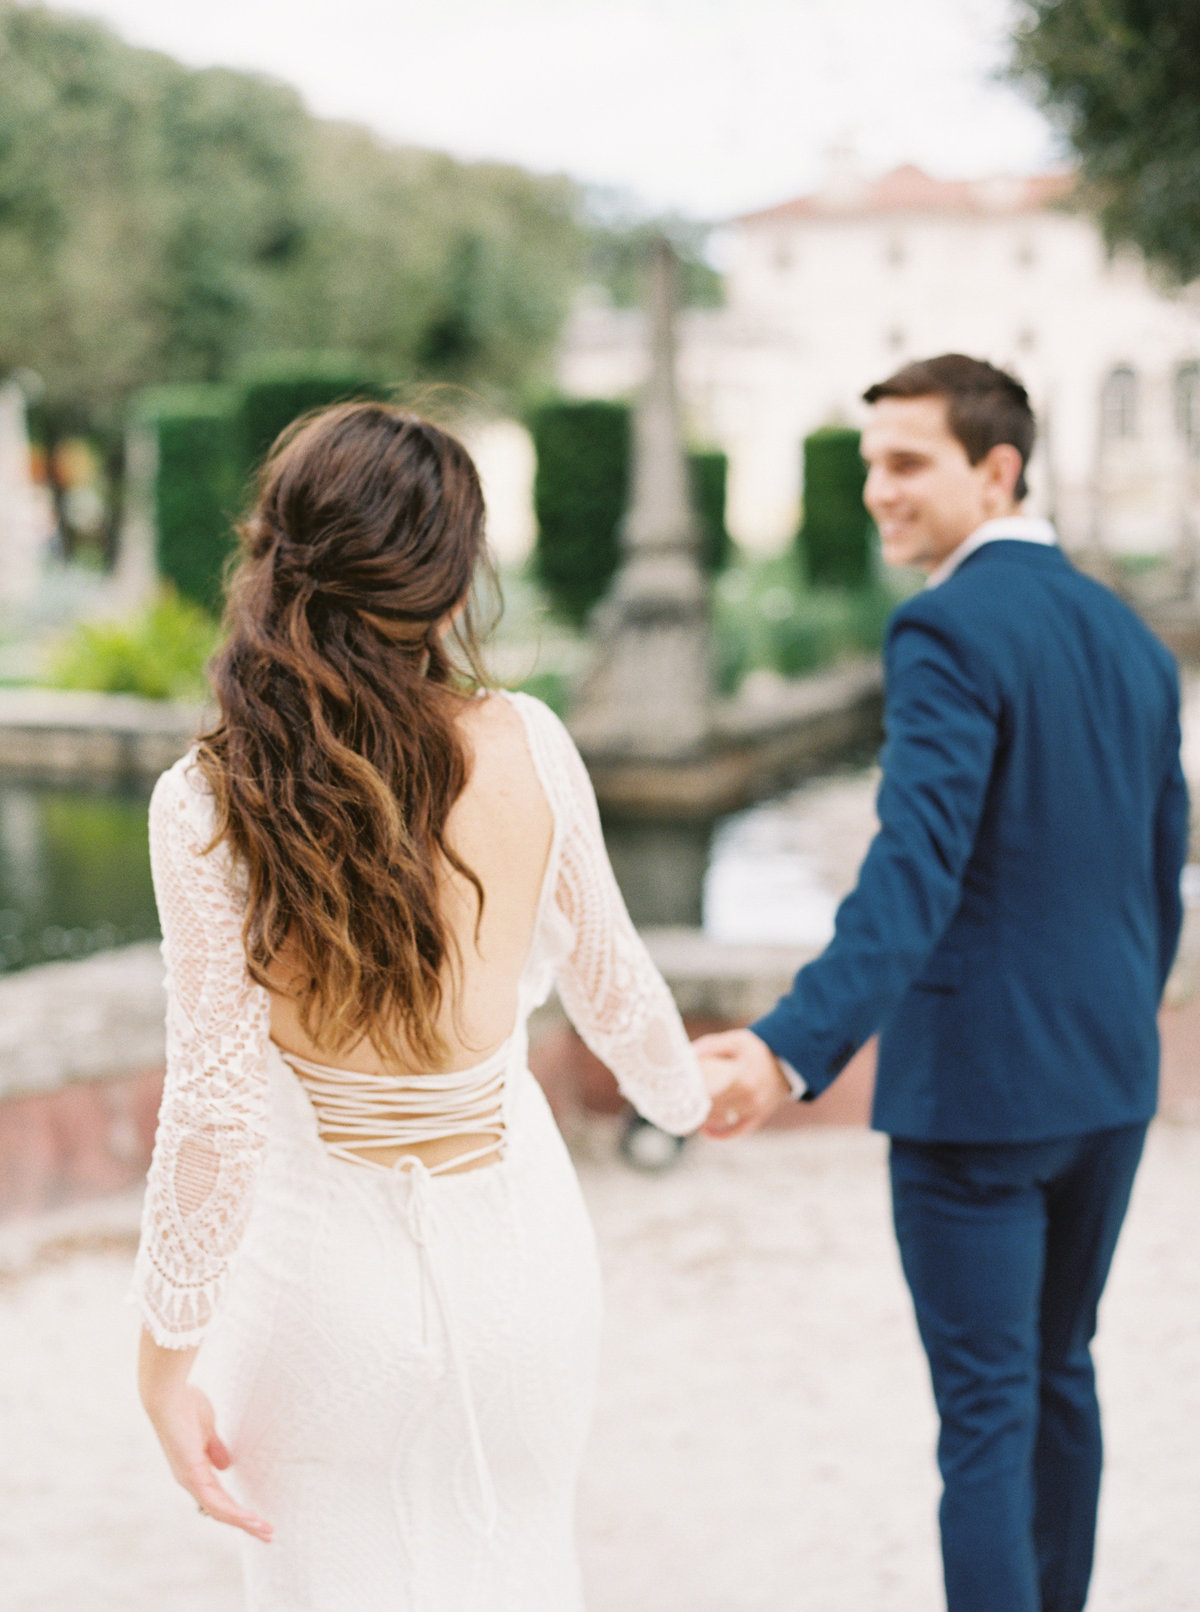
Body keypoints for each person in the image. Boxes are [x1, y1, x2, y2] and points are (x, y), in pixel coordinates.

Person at [133, 402, 714, 1611]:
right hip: (526, 1277)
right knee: (521, 1571)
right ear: (451, 587)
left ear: (273, 556)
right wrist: (699, 1094)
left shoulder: (206, 801)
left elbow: (214, 1115)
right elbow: (620, 992)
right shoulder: (532, 744)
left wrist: (161, 1366)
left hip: (316, 1305)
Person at [697, 354, 1189, 1612]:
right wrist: (1119, 1023)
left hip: (977, 1099)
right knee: (1056, 1374)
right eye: (869, 463)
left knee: (985, 1417)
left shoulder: (945, 627)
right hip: (1106, 1082)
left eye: (905, 462)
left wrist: (789, 1045)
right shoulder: (1127, 635)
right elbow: (1161, 858)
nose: (876, 492)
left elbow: (910, 872)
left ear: (997, 468)